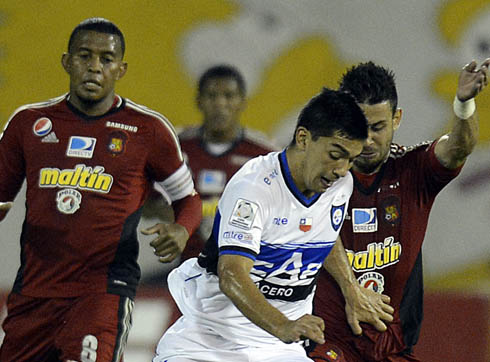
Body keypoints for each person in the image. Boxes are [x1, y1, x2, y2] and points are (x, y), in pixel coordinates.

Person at [0, 18, 201, 362]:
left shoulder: (147, 130)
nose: (94, 67)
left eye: (106, 59)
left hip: (101, 294)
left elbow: (188, 199)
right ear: (67, 61)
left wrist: (182, 229)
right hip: (33, 293)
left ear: (121, 69)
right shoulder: (28, 123)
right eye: (84, 56)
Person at [153, 88, 395, 362]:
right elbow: (232, 274)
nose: (342, 169)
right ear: (303, 138)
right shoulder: (254, 187)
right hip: (211, 340)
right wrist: (283, 325)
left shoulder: (339, 186)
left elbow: (324, 233)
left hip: (279, 349)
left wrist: (350, 288)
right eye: (336, 154)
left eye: (351, 159)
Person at [307, 60, 489, 362]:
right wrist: (351, 291)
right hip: (327, 345)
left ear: (397, 119)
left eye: (378, 127)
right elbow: (312, 225)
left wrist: (464, 104)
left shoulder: (414, 171)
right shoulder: (321, 174)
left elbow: (458, 147)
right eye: (358, 127)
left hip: (393, 349)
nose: (367, 139)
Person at [142, 64, 278, 284]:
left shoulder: (263, 154)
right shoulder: (175, 145)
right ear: (199, 101)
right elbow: (145, 202)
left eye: (228, 96)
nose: (220, 104)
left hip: (246, 269)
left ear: (242, 101)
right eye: (212, 96)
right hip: (182, 265)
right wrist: (171, 213)